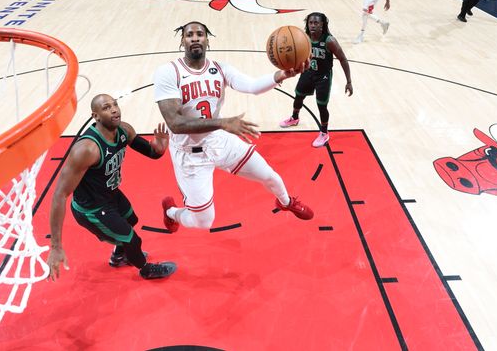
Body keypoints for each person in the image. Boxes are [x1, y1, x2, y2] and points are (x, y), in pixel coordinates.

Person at [153, 21, 314, 233]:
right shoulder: (168, 72)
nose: (195, 38)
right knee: (204, 223)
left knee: (269, 175)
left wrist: (282, 75)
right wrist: (223, 122)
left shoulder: (220, 69)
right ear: (182, 40)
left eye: (200, 34)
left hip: (218, 141)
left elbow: (252, 86)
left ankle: (285, 202)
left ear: (207, 40)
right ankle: (171, 212)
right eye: (189, 34)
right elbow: (175, 123)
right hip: (190, 156)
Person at [47, 94, 177, 281]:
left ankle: (119, 256)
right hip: (91, 208)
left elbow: (151, 152)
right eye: (106, 107)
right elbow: (59, 195)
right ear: (96, 116)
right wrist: (56, 246)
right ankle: (146, 269)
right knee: (133, 240)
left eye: (114, 104)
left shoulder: (124, 130)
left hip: (109, 194)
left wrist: (159, 148)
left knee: (131, 219)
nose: (114, 109)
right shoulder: (86, 149)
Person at [279, 12, 353, 147]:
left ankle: (324, 133)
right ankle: (294, 118)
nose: (312, 25)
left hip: (323, 76)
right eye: (310, 22)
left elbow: (343, 59)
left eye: (316, 23)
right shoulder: (304, 38)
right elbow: (295, 56)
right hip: (308, 72)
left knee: (322, 105)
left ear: (322, 25)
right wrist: (284, 72)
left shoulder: (329, 41)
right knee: (298, 96)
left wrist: (348, 81)